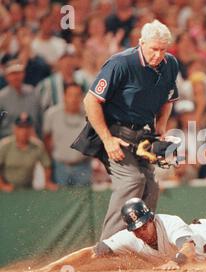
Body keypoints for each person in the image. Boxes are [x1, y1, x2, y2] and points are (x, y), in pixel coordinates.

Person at [73, 20, 179, 241]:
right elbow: (91, 101)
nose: (158, 55)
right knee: (133, 180)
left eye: (163, 49)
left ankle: (142, 245)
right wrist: (107, 139)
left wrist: (161, 127)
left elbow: (168, 99)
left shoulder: (170, 64)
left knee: (151, 185)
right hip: (114, 132)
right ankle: (109, 245)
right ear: (141, 43)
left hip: (143, 136)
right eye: (153, 49)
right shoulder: (121, 63)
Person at [34, 198, 206, 272]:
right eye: (136, 229)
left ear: (151, 219)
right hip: (205, 261)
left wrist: (176, 262)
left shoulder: (168, 222)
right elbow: (92, 253)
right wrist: (50, 268)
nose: (141, 231)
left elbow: (188, 247)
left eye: (144, 225)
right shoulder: (129, 238)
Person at [43, 84, 91, 186]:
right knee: (61, 199)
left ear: (82, 97)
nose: (74, 99)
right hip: (60, 166)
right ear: (64, 96)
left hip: (83, 166)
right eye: (70, 95)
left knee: (84, 199)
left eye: (77, 95)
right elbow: (46, 138)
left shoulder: (89, 115)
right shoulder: (52, 114)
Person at [0, 113, 57, 192]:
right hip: (7, 188)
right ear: (15, 129)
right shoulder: (5, 145)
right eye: (21, 128)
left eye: (27, 128)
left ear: (31, 130)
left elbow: (47, 165)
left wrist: (47, 181)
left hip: (27, 188)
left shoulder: (37, 146)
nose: (24, 131)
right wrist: (2, 185)